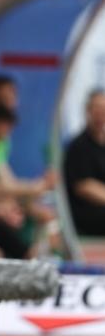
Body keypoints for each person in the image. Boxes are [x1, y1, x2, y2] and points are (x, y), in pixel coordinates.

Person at [64, 90, 105, 236]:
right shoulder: (79, 146)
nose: (100, 113)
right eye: (97, 108)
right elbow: (84, 187)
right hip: (87, 213)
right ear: (87, 111)